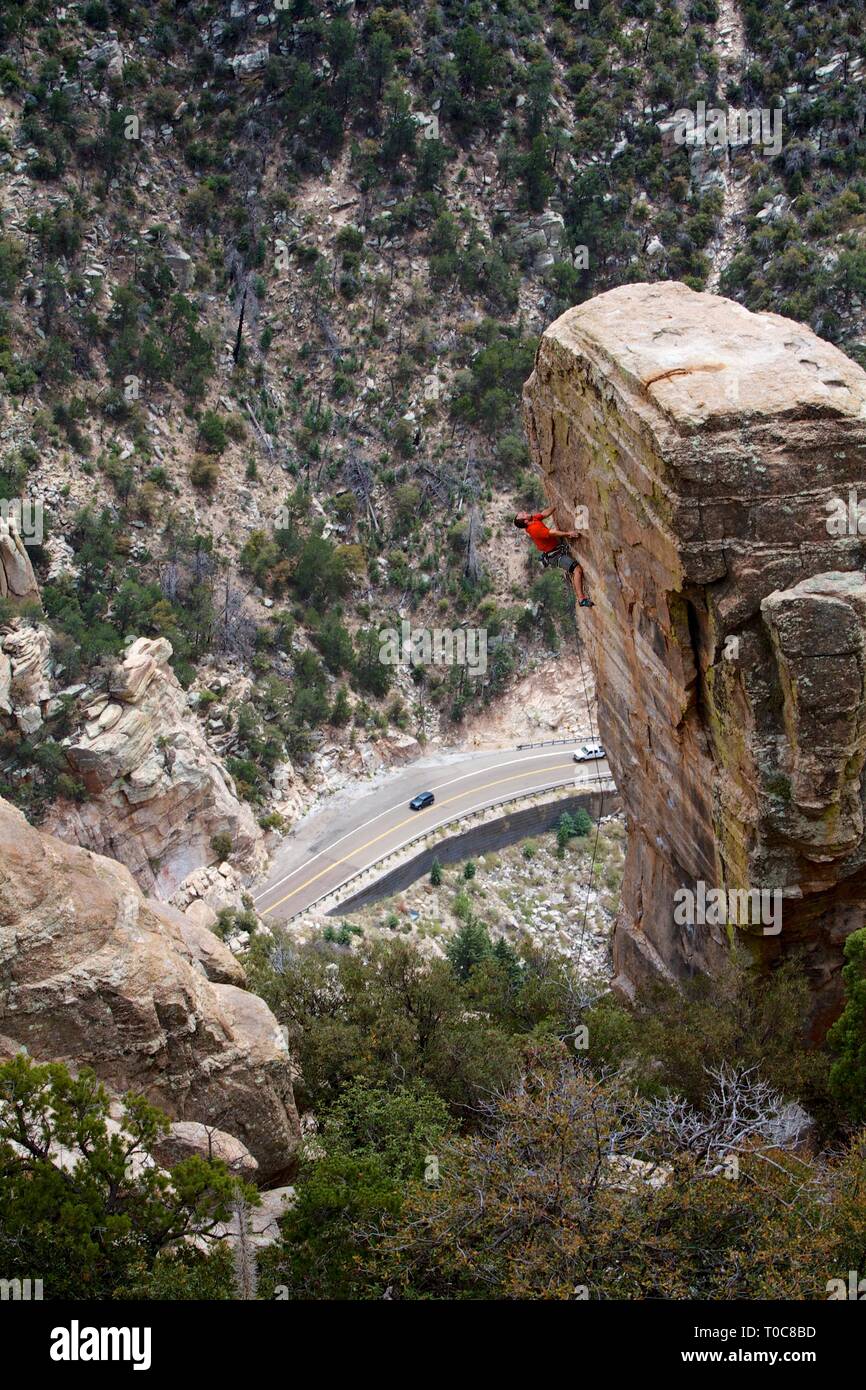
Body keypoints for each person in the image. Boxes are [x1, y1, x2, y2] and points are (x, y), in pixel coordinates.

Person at [514, 507, 593, 606]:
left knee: (575, 569)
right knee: (577, 570)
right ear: (525, 521)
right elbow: (552, 533)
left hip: (556, 549)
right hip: (555, 556)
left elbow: (544, 514)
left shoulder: (533, 519)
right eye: (522, 514)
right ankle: (581, 599)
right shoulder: (534, 529)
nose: (523, 511)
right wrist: (568, 534)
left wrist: (555, 506)